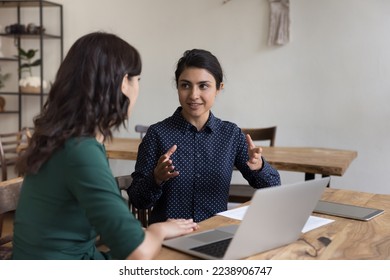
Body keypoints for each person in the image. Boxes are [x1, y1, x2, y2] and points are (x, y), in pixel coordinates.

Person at [12, 32, 198, 260]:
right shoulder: (81, 151)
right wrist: (159, 230)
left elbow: (103, 223)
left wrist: (144, 233)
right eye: (137, 80)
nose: (138, 88)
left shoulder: (61, 139)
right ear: (123, 84)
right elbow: (138, 253)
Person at [128, 49, 281, 224]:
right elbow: (138, 201)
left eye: (203, 86)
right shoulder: (157, 134)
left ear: (218, 88)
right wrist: (156, 179)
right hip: (167, 238)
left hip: (214, 235)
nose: (193, 95)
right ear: (177, 86)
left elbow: (273, 187)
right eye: (185, 85)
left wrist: (259, 167)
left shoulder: (231, 135)